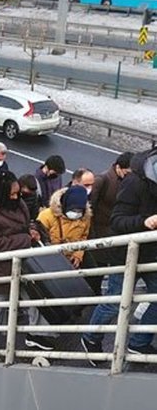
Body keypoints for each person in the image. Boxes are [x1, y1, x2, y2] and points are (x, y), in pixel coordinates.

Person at [83, 148, 157, 361]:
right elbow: (117, 220)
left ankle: (139, 342)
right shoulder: (135, 182)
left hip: (152, 253)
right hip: (127, 254)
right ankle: (90, 338)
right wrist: (144, 222)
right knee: (115, 301)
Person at [0, 171, 56, 356]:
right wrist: (25, 239)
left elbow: (28, 223)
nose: (17, 196)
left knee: (35, 298)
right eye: (13, 194)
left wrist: (33, 230)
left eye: (17, 192)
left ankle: (36, 334)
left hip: (22, 264)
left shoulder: (17, 204)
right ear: (2, 194)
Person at [36, 185, 99, 294]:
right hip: (53, 258)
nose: (76, 213)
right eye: (73, 210)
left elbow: (83, 237)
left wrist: (78, 254)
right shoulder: (46, 216)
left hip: (73, 255)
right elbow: (39, 239)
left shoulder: (85, 217)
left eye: (79, 210)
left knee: (94, 275)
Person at [89, 152, 133, 266]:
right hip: (100, 235)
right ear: (118, 167)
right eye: (127, 172)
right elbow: (90, 209)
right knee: (98, 270)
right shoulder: (102, 180)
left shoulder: (127, 182)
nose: (129, 175)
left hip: (116, 235)